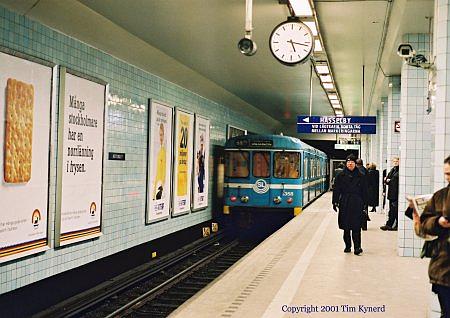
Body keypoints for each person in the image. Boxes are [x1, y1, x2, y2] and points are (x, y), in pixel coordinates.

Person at [418, 155, 450, 317]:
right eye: (447, 174)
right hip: (443, 269)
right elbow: (424, 224)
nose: (448, 178)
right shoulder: (440, 196)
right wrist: (438, 222)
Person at [332, 154, 368, 255]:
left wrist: (365, 204)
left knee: (356, 226)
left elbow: (365, 190)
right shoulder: (340, 176)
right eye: (348, 162)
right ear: (346, 164)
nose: (350, 164)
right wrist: (334, 202)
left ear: (355, 164)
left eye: (352, 162)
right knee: (346, 227)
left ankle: (357, 247)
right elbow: (336, 190)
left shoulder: (361, 176)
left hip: (357, 202)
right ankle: (348, 246)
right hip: (345, 202)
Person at [380, 157, 400, 231]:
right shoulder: (393, 170)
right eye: (394, 161)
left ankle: (395, 225)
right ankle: (389, 224)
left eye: (397, 161)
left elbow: (391, 180)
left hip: (396, 194)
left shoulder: (400, 170)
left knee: (395, 210)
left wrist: (389, 180)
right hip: (391, 193)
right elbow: (386, 179)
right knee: (392, 210)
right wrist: (388, 180)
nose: (395, 162)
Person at [153, 123, 166, 200]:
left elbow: (163, 170)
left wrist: (162, 183)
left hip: (160, 184)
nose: (161, 137)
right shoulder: (157, 150)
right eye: (160, 135)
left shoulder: (163, 151)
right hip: (156, 182)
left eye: (162, 135)